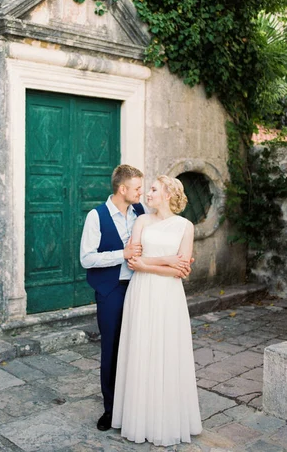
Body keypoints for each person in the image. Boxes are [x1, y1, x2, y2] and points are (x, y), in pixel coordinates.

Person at [80, 165, 190, 432]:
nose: (142, 192)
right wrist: (123, 253)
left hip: (143, 286)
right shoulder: (96, 216)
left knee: (140, 346)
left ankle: (138, 405)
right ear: (123, 189)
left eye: (145, 188)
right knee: (113, 348)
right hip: (112, 289)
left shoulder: (141, 213)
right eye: (138, 188)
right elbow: (87, 258)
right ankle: (111, 410)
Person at [112, 175, 202, 446]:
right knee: (142, 348)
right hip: (141, 293)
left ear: (166, 193)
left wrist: (150, 265)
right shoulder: (141, 221)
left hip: (169, 296)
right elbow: (133, 261)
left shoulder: (185, 226)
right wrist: (165, 260)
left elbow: (182, 270)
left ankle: (166, 419)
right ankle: (139, 417)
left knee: (166, 349)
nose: (147, 193)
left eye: (152, 189)